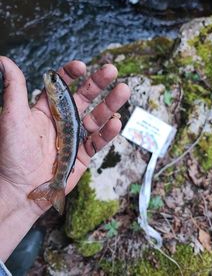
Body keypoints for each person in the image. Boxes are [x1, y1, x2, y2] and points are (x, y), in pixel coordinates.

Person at [0, 56, 130, 274]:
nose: (49, 79)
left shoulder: (59, 97)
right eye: (53, 79)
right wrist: (13, 192)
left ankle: (54, 187)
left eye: (52, 80)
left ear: (57, 93)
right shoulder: (56, 98)